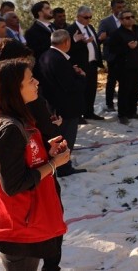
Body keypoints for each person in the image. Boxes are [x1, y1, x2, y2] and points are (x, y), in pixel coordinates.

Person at [0, 60, 70, 270]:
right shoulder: (8, 128)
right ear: (13, 89)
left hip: (23, 221)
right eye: (30, 80)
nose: (36, 83)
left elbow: (18, 159)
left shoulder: (5, 117)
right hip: (19, 226)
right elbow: (14, 184)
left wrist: (45, 153)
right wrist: (53, 164)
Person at [35, 30, 88, 176]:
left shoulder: (45, 56)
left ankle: (61, 165)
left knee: (60, 137)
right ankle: (64, 167)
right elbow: (70, 86)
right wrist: (82, 77)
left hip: (53, 104)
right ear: (67, 42)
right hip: (66, 107)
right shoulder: (58, 59)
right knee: (66, 138)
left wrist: (71, 72)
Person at [108, 9, 138, 124]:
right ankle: (122, 114)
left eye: (132, 16)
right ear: (121, 20)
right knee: (124, 91)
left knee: (136, 91)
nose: (130, 19)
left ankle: (132, 111)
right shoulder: (117, 34)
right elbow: (112, 50)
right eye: (127, 18)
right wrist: (127, 47)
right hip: (124, 67)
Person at [67, 6, 104, 120]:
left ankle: (89, 112)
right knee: (80, 91)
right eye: (86, 17)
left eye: (90, 17)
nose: (88, 19)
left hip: (92, 63)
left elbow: (94, 43)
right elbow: (67, 47)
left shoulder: (90, 27)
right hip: (80, 65)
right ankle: (78, 115)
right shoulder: (71, 29)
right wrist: (77, 41)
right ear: (78, 17)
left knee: (91, 89)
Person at [97, 0, 126, 111]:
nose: (121, 9)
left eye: (123, 7)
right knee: (112, 81)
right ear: (112, 8)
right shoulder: (105, 22)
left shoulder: (127, 19)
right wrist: (116, 39)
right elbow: (102, 38)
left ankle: (125, 102)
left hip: (126, 55)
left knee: (125, 80)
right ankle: (109, 104)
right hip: (113, 56)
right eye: (119, 7)